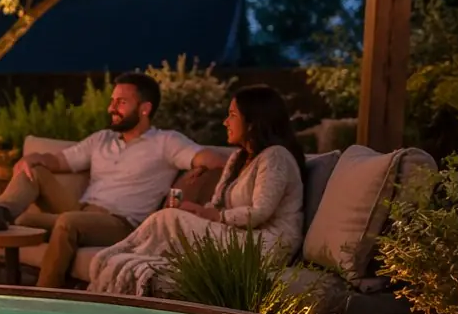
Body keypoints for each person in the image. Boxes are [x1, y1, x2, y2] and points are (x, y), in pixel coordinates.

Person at [0, 73, 225, 287]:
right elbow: (60, 161)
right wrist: (34, 157)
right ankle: (0, 212)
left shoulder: (166, 142)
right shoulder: (102, 139)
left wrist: (196, 172)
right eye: (112, 101)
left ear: (145, 108)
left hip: (122, 223)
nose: (111, 108)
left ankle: (45, 298)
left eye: (121, 102)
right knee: (29, 202)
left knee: (68, 223)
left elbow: (213, 159)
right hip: (82, 210)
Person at [88, 84, 306, 297]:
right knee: (172, 216)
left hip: (266, 245)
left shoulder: (276, 157)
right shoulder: (238, 158)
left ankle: (114, 254)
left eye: (232, 115)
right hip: (240, 234)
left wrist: (215, 216)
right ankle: (119, 258)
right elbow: (216, 205)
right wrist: (198, 212)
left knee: (168, 219)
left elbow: (260, 212)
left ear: (252, 122)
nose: (225, 122)